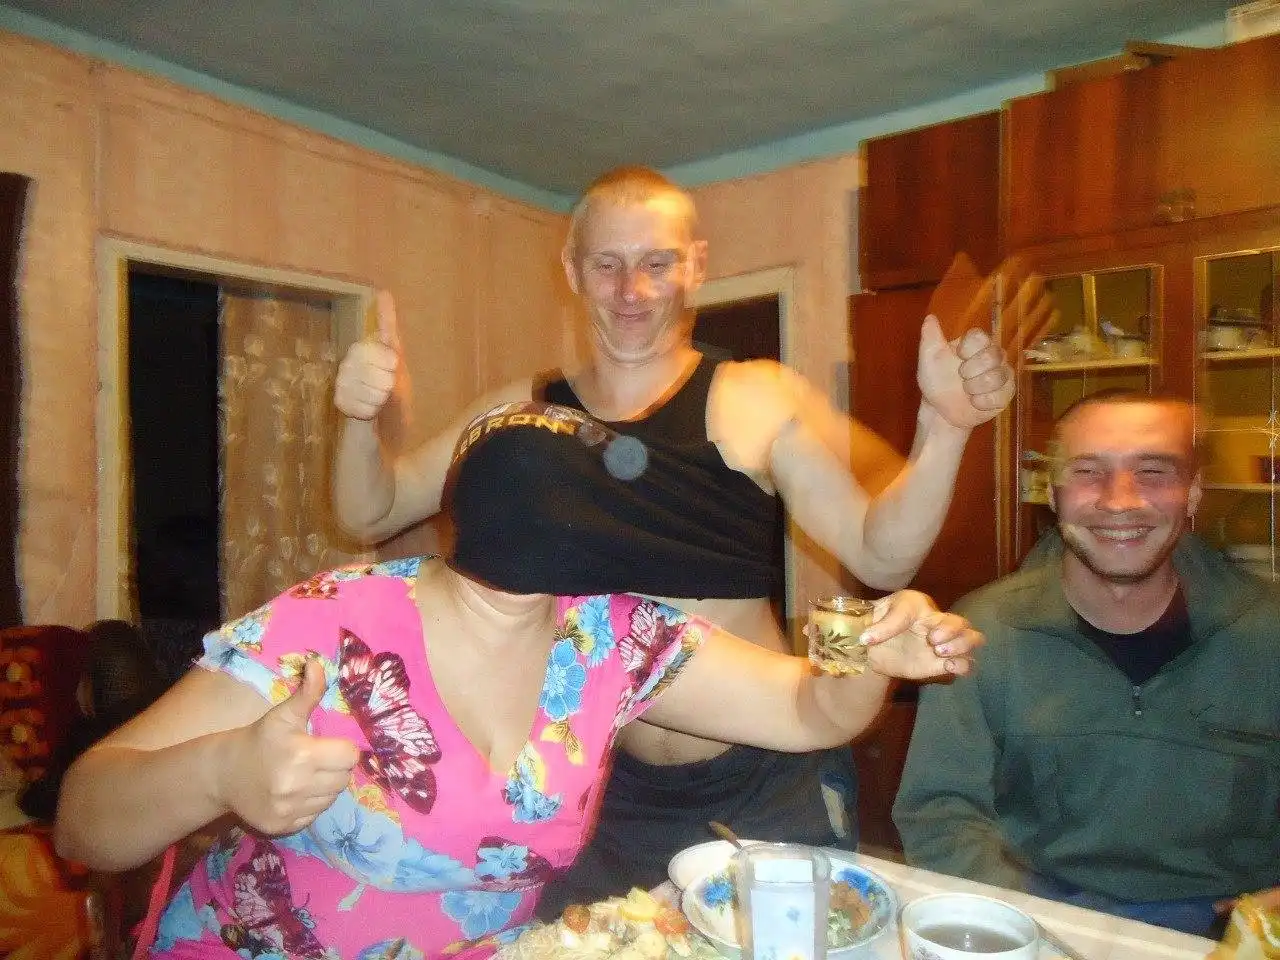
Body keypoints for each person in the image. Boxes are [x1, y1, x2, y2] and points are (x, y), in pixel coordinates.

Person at [331, 165, 1052, 904]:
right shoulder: (522, 418)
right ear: (573, 272)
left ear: (696, 267)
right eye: (607, 265)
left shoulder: (756, 396)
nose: (632, 290)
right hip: (599, 782)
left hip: (760, 771)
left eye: (657, 263)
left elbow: (881, 553)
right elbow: (370, 511)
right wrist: (359, 418)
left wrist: (945, 429)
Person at [54, 405, 984, 959]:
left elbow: (808, 709)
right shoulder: (331, 623)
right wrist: (221, 771)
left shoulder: (611, 636)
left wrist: (867, 655)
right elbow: (83, 822)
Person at [893, 390, 1280, 938]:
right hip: (1042, 916)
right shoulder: (982, 632)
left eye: (1152, 472)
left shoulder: (1268, 633)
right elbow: (940, 813)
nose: (1119, 501)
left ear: (1193, 492)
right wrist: (1037, 925)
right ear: (1052, 492)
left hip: (1227, 929)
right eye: (1088, 472)